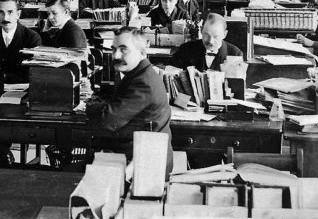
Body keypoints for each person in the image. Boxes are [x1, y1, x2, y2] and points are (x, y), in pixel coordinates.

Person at [85, 26, 173, 177]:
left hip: (145, 168)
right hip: (137, 154)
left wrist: (86, 107)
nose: (116, 55)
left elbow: (108, 121)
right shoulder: (138, 73)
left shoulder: (143, 83)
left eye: (123, 49)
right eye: (113, 49)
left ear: (142, 52)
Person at [0, 0, 42, 82]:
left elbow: (34, 73)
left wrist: (3, 77)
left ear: (18, 14)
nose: (5, 18)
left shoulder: (32, 38)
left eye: (10, 12)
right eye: (1, 12)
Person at [171, 13, 243, 71]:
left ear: (224, 34)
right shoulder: (185, 49)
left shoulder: (235, 54)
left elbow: (236, 86)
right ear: (201, 31)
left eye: (215, 37)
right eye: (207, 35)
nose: (210, 41)